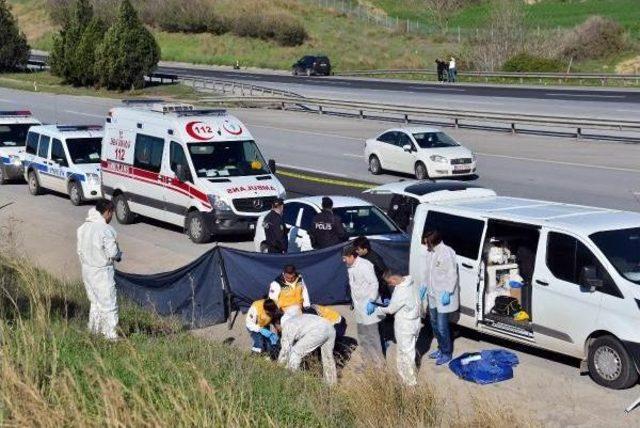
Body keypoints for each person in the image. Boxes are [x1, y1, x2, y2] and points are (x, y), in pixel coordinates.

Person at [76, 199, 122, 340]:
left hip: (87, 270)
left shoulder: (83, 227)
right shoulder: (106, 230)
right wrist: (119, 254)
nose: (112, 217)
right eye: (112, 213)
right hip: (101, 272)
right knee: (109, 304)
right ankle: (110, 336)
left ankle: (94, 330)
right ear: (107, 212)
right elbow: (113, 253)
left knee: (95, 302)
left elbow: (79, 250)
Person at [368, 272, 421, 386]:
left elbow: (391, 310)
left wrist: (377, 308)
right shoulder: (410, 281)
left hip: (405, 325)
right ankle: (405, 375)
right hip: (415, 322)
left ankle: (410, 382)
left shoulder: (402, 291)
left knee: (406, 352)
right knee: (408, 349)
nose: (391, 285)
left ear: (393, 278)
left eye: (390, 283)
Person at [419, 230, 459, 366]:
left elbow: (452, 274)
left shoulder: (447, 252)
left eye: (427, 242)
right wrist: (424, 286)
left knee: (442, 327)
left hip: (442, 296)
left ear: (433, 241)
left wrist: (448, 292)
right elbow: (427, 272)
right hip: (432, 294)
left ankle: (447, 352)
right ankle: (441, 348)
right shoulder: (430, 252)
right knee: (434, 324)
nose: (425, 245)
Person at [343, 245, 384, 366]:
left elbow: (374, 283)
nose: (343, 260)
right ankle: (368, 362)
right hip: (359, 307)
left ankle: (379, 365)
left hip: (368, 307)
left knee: (372, 336)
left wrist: (371, 300)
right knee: (362, 336)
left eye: (345, 257)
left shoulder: (365, 265)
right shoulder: (350, 266)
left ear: (352, 256)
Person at [277, 313, 337, 385]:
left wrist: (279, 367)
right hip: (330, 327)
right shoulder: (297, 319)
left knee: (295, 352)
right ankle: (331, 385)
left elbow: (285, 351)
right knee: (328, 359)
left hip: (319, 330)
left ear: (278, 324)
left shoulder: (287, 326)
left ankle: (289, 382)